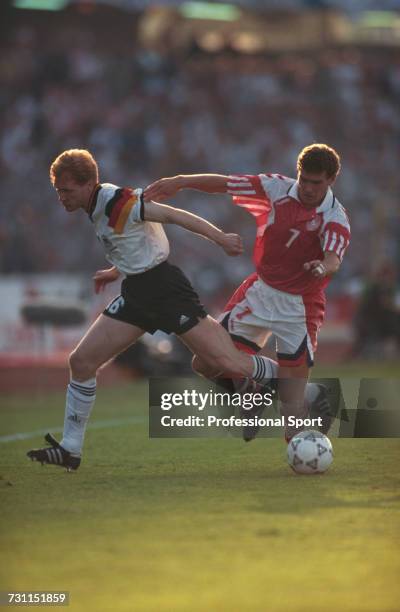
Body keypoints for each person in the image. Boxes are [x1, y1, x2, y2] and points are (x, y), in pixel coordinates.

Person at [27, 149, 275, 471]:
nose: (61, 197)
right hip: (137, 294)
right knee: (81, 361)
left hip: (166, 290)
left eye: (67, 190)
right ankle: (70, 449)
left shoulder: (118, 200)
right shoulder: (94, 207)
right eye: (58, 190)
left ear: (89, 184)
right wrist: (115, 270)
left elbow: (173, 216)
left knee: (226, 361)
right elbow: (133, 241)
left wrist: (220, 238)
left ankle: (300, 387)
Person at [144, 143, 351, 441]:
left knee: (292, 427)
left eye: (315, 182)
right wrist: (181, 181)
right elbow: (224, 183)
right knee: (204, 361)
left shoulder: (336, 218)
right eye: (303, 178)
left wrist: (323, 266)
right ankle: (254, 393)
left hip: (300, 307)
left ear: (331, 180)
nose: (306, 187)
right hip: (260, 292)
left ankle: (297, 416)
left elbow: (334, 258)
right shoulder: (277, 188)